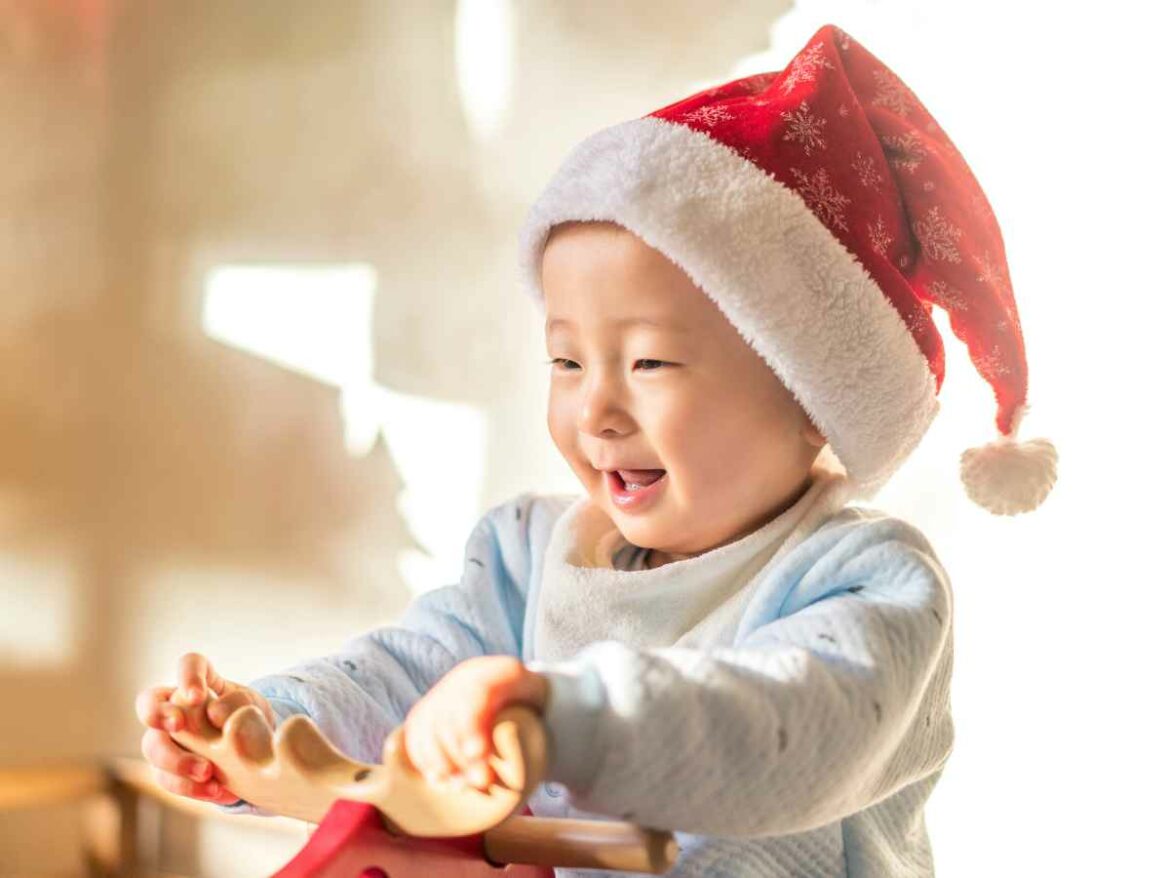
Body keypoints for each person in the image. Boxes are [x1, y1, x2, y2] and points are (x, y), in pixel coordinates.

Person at [134, 23, 1058, 876]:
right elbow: (407, 675)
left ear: (810, 397)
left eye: (649, 360)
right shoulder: (530, 558)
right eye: (566, 360)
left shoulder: (869, 585)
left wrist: (562, 720)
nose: (597, 410)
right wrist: (265, 724)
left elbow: (773, 727)